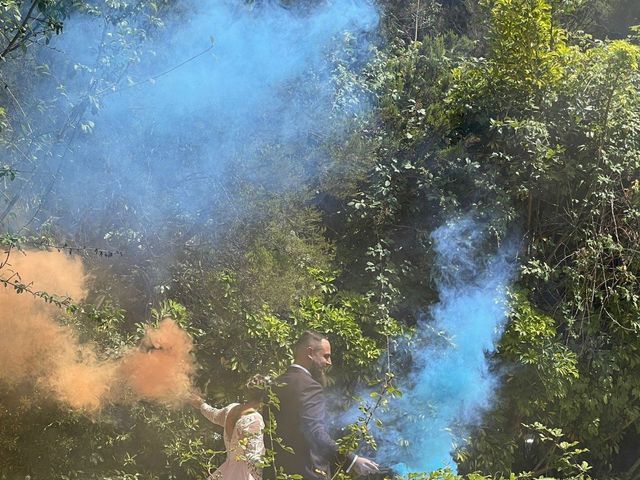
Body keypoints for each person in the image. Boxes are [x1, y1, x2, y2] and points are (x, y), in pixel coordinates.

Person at [266, 331, 379, 480]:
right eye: (326, 356)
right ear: (310, 353)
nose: (329, 362)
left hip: (274, 472)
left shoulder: (275, 384)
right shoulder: (310, 387)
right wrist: (351, 460)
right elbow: (315, 431)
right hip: (308, 473)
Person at [190, 374, 270, 480]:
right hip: (245, 475)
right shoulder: (255, 419)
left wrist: (201, 404)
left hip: (227, 470)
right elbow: (253, 458)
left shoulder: (232, 408)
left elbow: (214, 415)